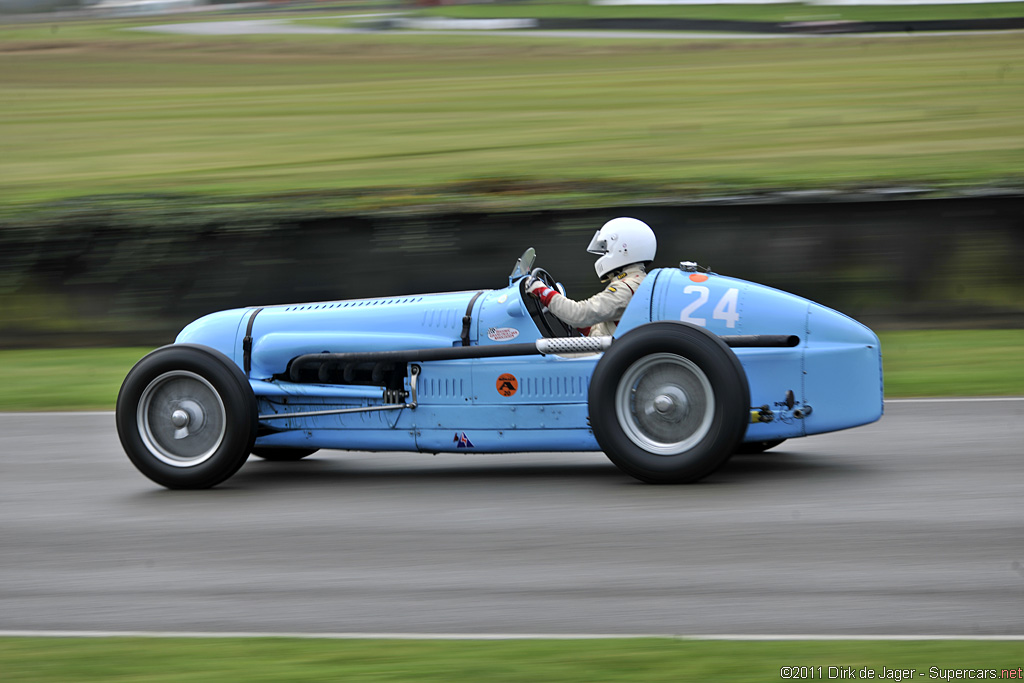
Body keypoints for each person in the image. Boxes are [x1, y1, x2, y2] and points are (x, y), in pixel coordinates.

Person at [527, 217, 656, 337]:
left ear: (624, 250)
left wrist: (541, 291)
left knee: (544, 356)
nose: (603, 255)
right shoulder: (639, 282)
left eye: (606, 249)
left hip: (608, 355)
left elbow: (579, 314)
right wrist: (565, 312)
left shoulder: (626, 288)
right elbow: (600, 329)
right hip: (611, 350)